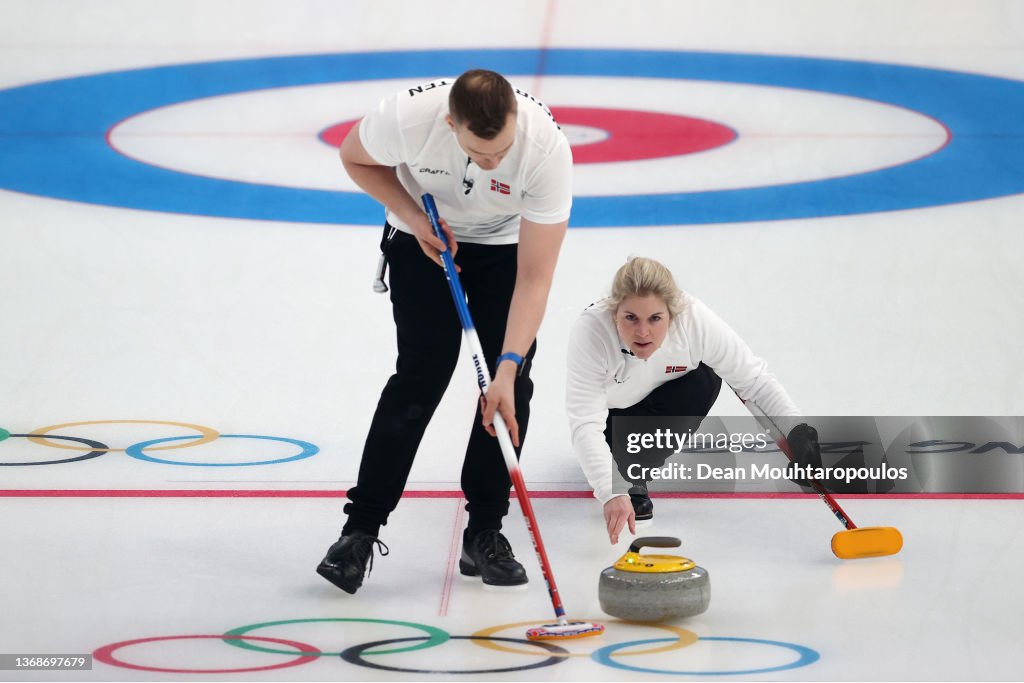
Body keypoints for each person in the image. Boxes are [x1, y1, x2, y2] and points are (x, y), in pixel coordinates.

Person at [317, 69, 572, 593]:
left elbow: (536, 276)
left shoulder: (546, 151)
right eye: (481, 154)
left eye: (502, 151)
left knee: (511, 390)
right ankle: (359, 532)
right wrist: (413, 215)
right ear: (451, 123)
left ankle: (485, 532)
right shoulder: (406, 118)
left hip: (506, 252)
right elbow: (354, 156)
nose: (494, 163)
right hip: (421, 237)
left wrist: (506, 367)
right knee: (421, 374)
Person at [566, 257, 821, 544]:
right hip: (610, 419)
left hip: (657, 403)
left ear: (672, 314)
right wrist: (611, 491)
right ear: (614, 313)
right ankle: (620, 469)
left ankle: (631, 466)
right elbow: (585, 422)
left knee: (706, 377)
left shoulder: (694, 320)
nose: (642, 332)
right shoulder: (593, 331)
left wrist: (798, 431)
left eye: (655, 319)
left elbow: (753, 380)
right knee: (607, 458)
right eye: (630, 318)